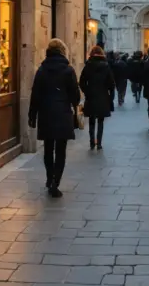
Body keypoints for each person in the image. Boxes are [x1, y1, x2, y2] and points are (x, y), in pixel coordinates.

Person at [28, 38, 81, 198]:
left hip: (46, 112)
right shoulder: (68, 70)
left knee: (48, 148)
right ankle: (55, 183)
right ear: (63, 51)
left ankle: (49, 177)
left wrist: (32, 115)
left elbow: (35, 95)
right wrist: (73, 103)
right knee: (61, 150)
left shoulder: (41, 70)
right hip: (63, 113)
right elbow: (76, 96)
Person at [80, 45, 116, 150]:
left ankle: (92, 142)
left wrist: (87, 91)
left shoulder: (88, 66)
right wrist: (110, 98)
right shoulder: (106, 66)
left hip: (91, 96)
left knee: (91, 120)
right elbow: (112, 84)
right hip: (103, 96)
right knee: (101, 121)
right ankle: (99, 143)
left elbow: (82, 82)